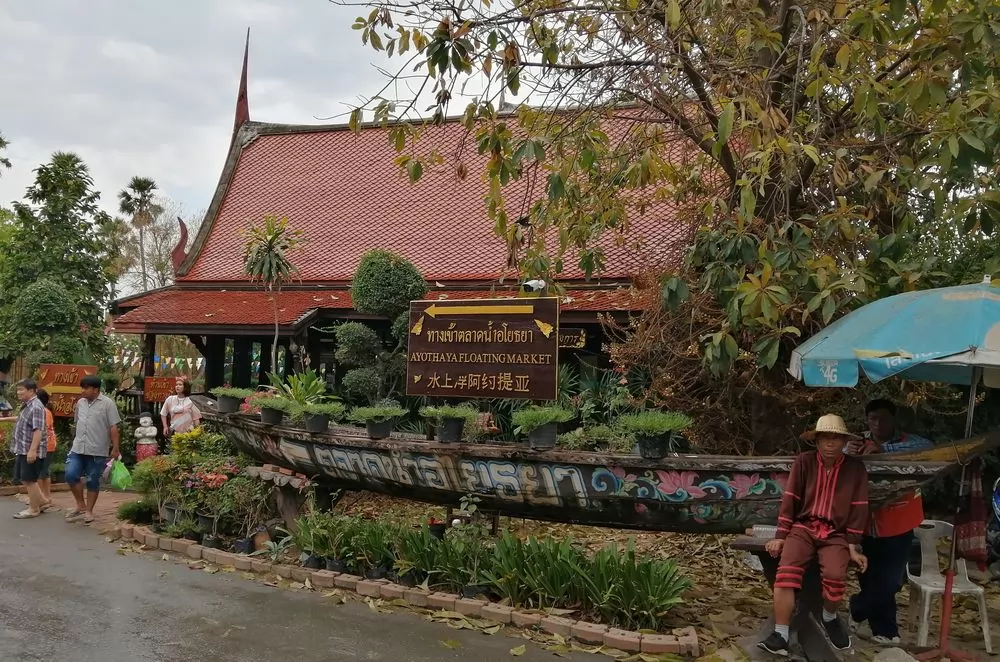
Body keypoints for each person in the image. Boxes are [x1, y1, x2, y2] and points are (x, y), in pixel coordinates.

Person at [758, 414, 870, 656]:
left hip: (835, 533)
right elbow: (791, 499)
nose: (830, 443)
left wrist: (853, 546)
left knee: (835, 576)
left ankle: (829, 616)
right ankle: (780, 634)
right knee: (785, 573)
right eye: (825, 438)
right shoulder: (804, 462)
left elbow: (859, 507)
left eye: (835, 438)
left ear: (844, 442)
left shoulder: (855, 468)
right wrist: (781, 535)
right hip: (803, 528)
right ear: (816, 441)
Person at [847, 398, 934, 644]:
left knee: (892, 581)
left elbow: (930, 449)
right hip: (865, 522)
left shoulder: (910, 442)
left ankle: (857, 609)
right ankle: (885, 632)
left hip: (900, 522)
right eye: (873, 418)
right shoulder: (856, 442)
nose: (877, 423)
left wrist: (884, 451)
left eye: (883, 418)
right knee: (870, 579)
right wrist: (848, 452)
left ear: (893, 419)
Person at [65, 375, 121, 525]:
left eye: (86, 388)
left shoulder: (108, 403)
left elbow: (113, 427)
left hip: (97, 449)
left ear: (95, 389)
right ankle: (80, 504)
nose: (82, 391)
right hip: (78, 448)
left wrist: (115, 448)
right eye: (82, 388)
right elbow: (77, 423)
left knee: (92, 480)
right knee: (70, 475)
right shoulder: (80, 403)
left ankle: (89, 511)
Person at [9, 378, 48, 519]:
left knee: (29, 480)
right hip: (22, 449)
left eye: (21, 390)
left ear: (31, 391)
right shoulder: (27, 405)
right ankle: (41, 501)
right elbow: (21, 421)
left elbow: (38, 430)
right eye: (18, 389)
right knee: (25, 479)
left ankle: (34, 509)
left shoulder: (36, 406)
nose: (18, 392)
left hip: (29, 450)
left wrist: (32, 450)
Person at [35, 388, 59, 510]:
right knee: (44, 471)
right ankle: (47, 497)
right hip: (47, 444)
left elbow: (41, 429)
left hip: (45, 445)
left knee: (40, 472)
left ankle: (41, 499)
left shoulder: (44, 412)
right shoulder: (44, 411)